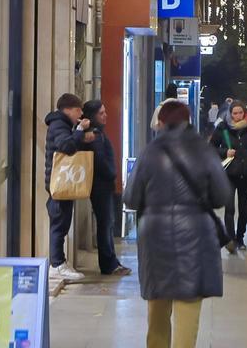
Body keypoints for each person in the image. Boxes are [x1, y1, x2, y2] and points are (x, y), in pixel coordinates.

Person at [124, 101, 231, 348]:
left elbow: (130, 198)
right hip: (196, 238)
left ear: (161, 123)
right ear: (188, 121)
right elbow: (221, 196)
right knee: (188, 309)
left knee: (158, 309)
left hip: (155, 238)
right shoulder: (204, 151)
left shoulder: (149, 152)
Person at [45, 92, 94, 281]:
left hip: (62, 182)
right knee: (59, 222)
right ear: (67, 110)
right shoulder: (58, 125)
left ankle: (59, 261)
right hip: (59, 183)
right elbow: (66, 146)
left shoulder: (64, 125)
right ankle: (57, 264)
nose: (80, 113)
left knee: (63, 222)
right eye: (77, 110)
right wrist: (80, 131)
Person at [210, 102, 247, 252]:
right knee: (229, 208)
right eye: (234, 113)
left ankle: (240, 237)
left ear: (244, 113)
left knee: (244, 208)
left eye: (240, 113)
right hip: (228, 174)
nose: (237, 116)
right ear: (230, 114)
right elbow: (210, 149)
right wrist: (224, 152)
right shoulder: (222, 128)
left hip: (246, 174)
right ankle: (230, 240)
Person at [82, 100, 130, 276]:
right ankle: (108, 263)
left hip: (104, 185)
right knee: (106, 223)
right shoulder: (94, 135)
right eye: (101, 113)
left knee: (107, 224)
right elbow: (100, 160)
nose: (105, 115)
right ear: (93, 116)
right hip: (100, 186)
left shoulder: (98, 134)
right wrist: (111, 173)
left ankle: (111, 261)